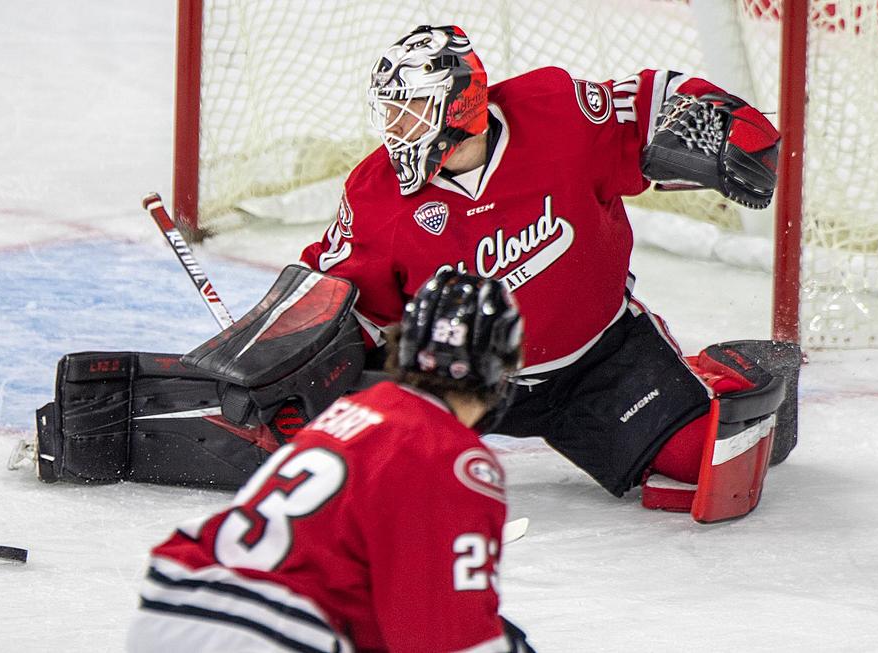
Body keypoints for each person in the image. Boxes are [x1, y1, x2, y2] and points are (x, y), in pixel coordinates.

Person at [299, 25, 795, 522]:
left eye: (409, 110)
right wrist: (279, 355)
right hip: (456, 379)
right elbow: (337, 296)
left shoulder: (556, 111)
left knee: (699, 462)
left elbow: (652, 99)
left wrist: (735, 123)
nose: (395, 127)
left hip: (599, 361)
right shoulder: (374, 194)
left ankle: (726, 371)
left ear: (457, 107)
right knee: (344, 471)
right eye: (389, 112)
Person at [126, 271, 535, 653]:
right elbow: (446, 640)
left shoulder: (358, 412)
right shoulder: (452, 454)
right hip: (271, 630)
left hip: (174, 605)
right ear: (499, 369)